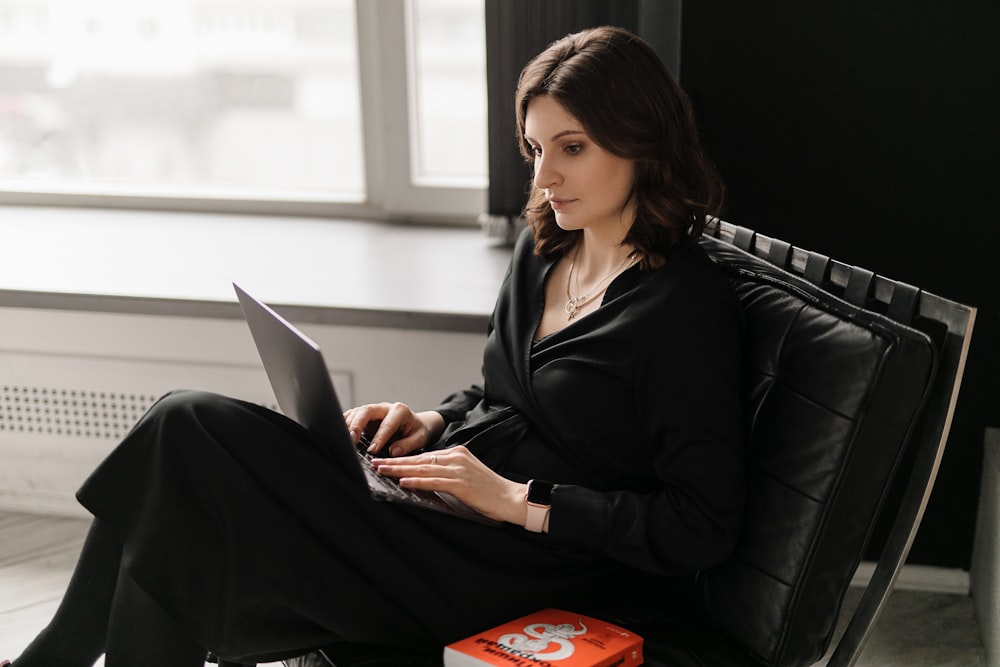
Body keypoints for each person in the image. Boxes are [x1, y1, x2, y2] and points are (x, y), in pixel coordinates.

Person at [7, 25, 744, 667]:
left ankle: (59, 655)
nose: (545, 177)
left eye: (572, 148)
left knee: (187, 425)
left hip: (524, 566)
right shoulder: (544, 252)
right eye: (535, 148)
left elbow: (700, 525)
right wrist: (429, 420)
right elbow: (501, 396)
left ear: (640, 139)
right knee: (183, 495)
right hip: (444, 515)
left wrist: (518, 500)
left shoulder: (686, 306)